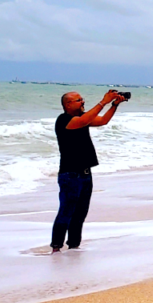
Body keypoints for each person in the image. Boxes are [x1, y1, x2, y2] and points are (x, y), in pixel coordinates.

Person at [51, 89, 126, 252]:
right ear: (68, 104)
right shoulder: (64, 120)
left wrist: (114, 105)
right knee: (66, 211)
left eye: (82, 99)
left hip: (85, 173)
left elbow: (103, 121)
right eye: (79, 100)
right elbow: (84, 120)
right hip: (70, 174)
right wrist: (103, 102)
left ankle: (73, 246)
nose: (83, 102)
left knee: (80, 213)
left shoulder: (83, 119)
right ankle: (56, 247)